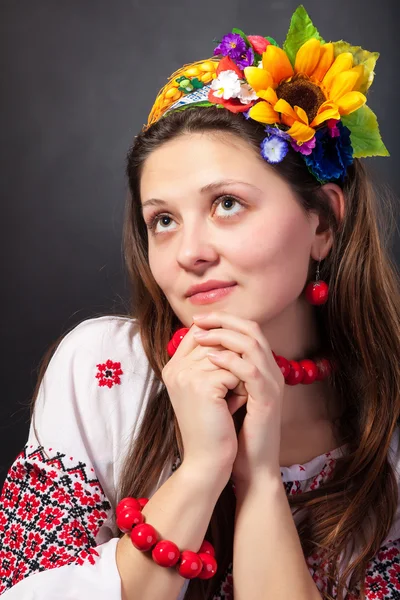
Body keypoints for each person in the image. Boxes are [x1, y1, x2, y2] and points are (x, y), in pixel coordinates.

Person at [1, 5, 399, 599]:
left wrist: (259, 481)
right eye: (162, 219)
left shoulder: (387, 422)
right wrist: (203, 469)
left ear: (324, 221)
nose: (189, 252)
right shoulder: (100, 369)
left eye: (227, 204)